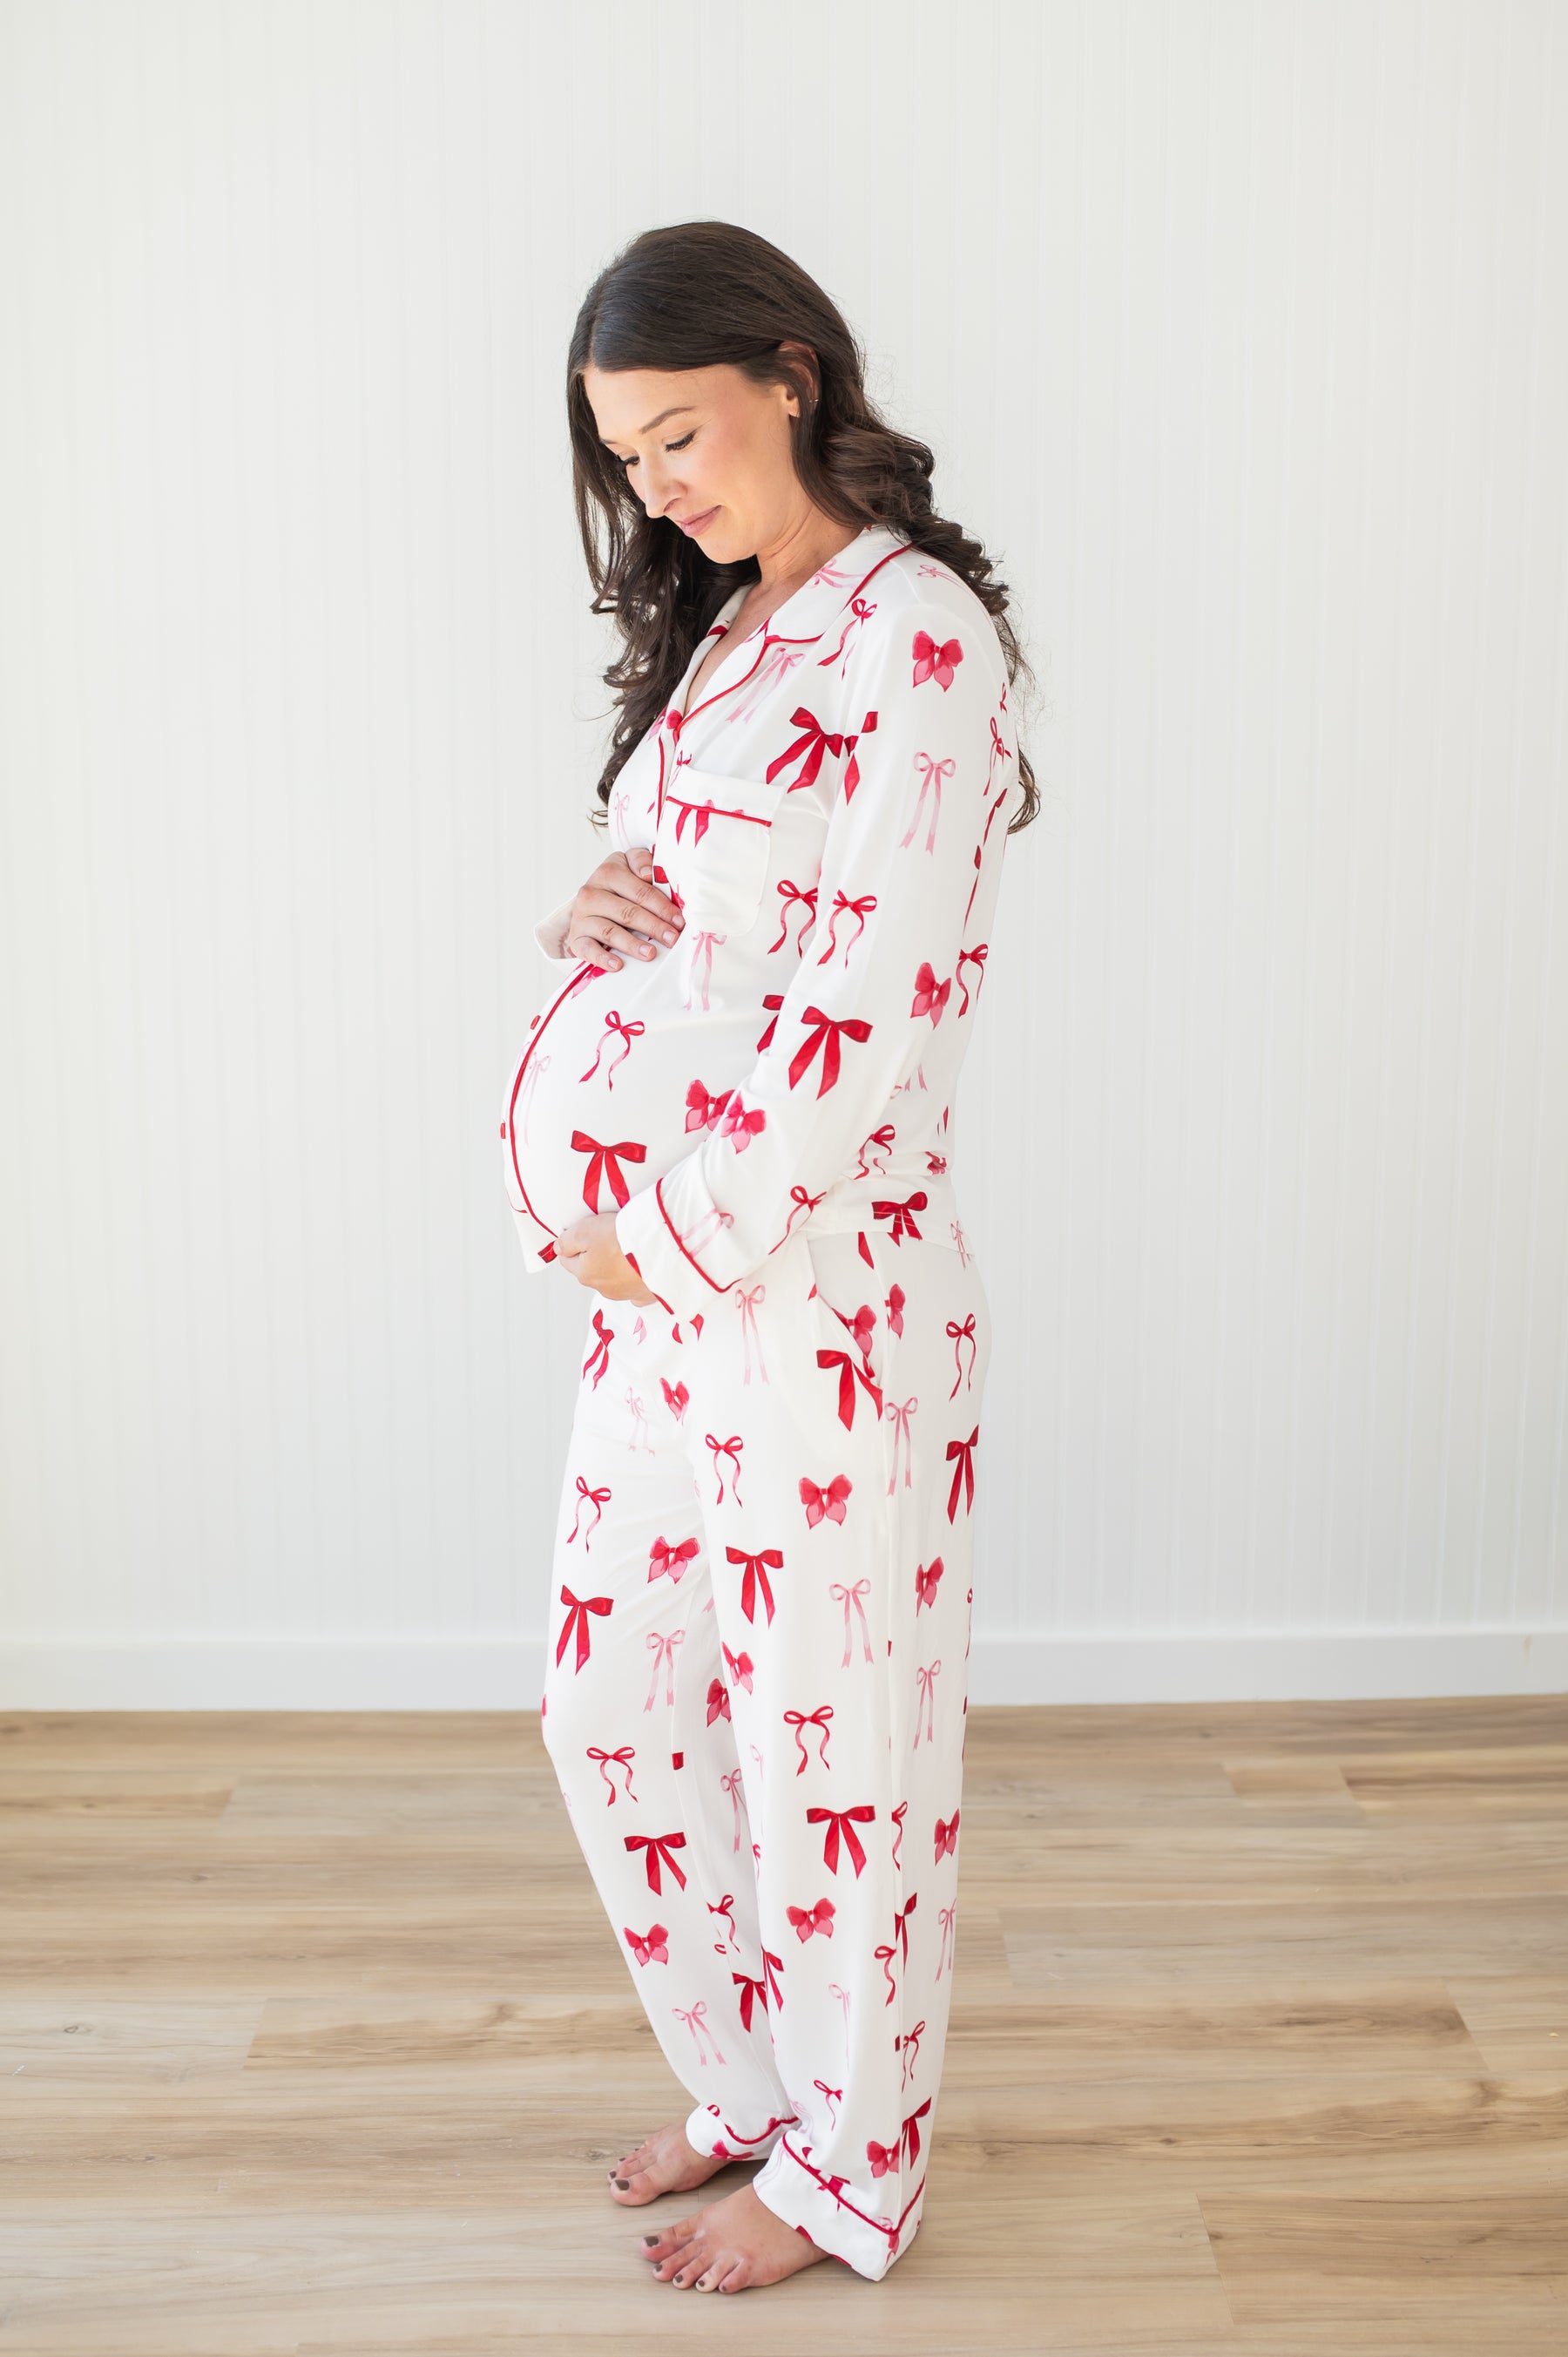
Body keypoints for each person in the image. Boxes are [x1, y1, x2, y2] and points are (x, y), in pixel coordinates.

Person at [500, 220, 1038, 2295]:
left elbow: (869, 1010)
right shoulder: (733, 628)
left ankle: (850, 2172)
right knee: (608, 1702)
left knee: (843, 1763)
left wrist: (662, 1233)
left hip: (820, 1300)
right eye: (623, 460)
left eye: (680, 437)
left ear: (793, 374)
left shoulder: (919, 642)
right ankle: (753, 2087)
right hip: (660, 1308)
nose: (658, 487)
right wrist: (599, 928)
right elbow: (715, 928)